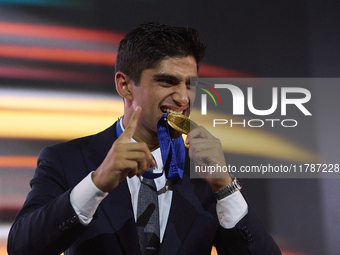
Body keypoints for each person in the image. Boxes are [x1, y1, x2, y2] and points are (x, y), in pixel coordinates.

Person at [7, 22, 281, 255]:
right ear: (125, 85)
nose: (184, 98)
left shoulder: (206, 175)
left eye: (190, 84)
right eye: (167, 82)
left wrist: (225, 188)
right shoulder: (67, 160)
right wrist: (97, 183)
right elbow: (22, 247)